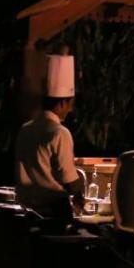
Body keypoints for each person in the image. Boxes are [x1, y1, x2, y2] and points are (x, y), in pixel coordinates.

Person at [14, 54, 85, 219]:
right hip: (54, 211)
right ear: (62, 103)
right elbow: (69, 180)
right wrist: (79, 193)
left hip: (27, 210)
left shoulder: (25, 129)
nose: (70, 110)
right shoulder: (59, 132)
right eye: (70, 104)